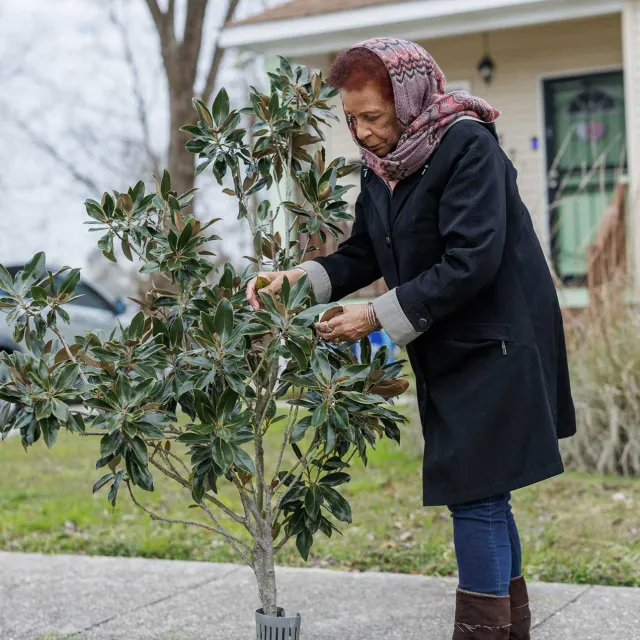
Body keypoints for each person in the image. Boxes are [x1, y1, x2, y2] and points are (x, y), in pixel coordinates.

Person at [246, 38, 576, 640]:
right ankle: (511, 629)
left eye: (372, 116)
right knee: (487, 495)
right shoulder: (384, 170)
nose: (363, 132)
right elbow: (364, 252)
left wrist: (374, 317)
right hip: (449, 344)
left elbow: (473, 259)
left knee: (474, 493)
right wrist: (297, 278)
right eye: (351, 119)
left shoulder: (467, 147)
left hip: (498, 340)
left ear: (409, 98)